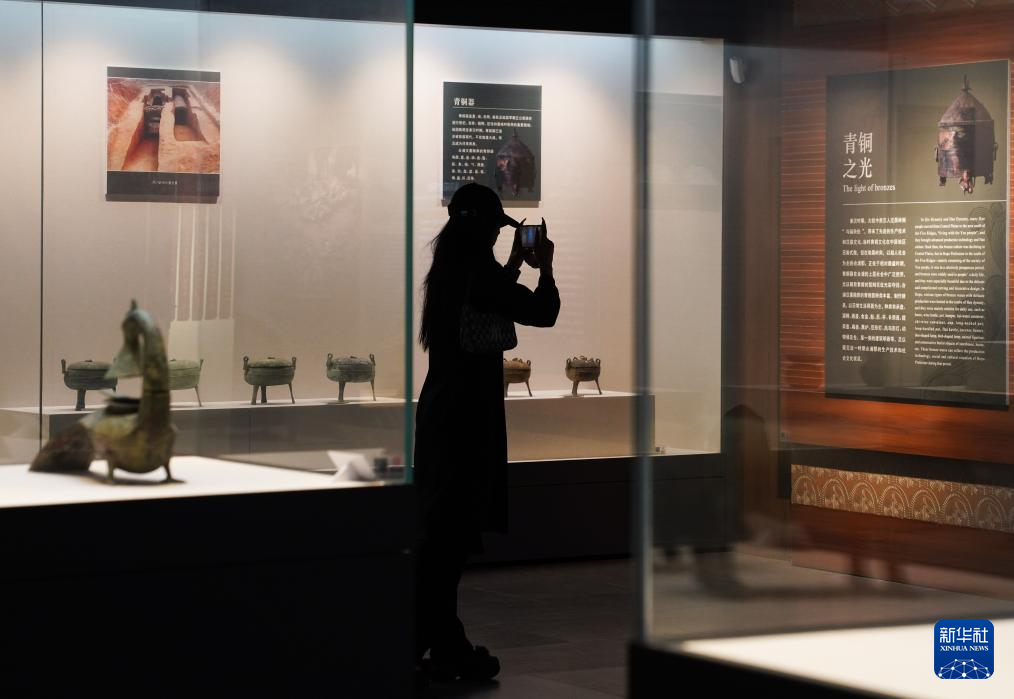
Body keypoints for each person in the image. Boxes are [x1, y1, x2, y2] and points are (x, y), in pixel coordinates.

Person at [415, 183, 560, 683]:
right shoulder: (477, 272)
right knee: (449, 538)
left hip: (444, 411)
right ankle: (435, 640)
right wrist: (545, 268)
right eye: (496, 229)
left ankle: (438, 639)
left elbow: (489, 297)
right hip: (467, 418)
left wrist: (515, 264)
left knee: (441, 535)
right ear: (481, 229)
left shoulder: (452, 269)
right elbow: (542, 312)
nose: (499, 237)